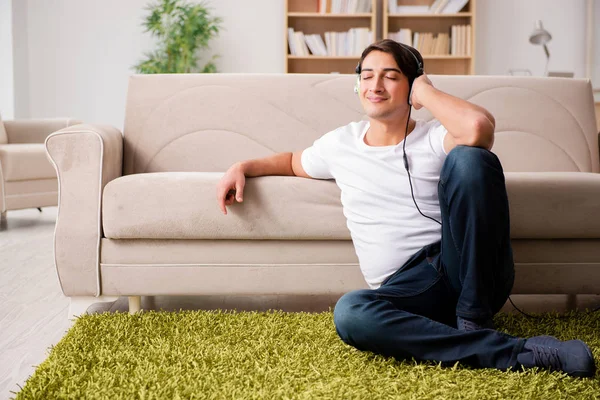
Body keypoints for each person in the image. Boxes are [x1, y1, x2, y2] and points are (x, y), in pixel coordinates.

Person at [216, 39, 595, 378]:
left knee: (471, 160)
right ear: (357, 85)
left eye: (390, 76)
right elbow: (292, 161)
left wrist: (427, 92)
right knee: (351, 312)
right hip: (406, 291)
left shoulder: (434, 136)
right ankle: (517, 351)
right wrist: (242, 166)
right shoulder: (339, 144)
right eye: (366, 75)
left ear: (411, 84)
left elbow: (478, 128)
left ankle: (473, 318)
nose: (375, 85)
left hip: (464, 270)